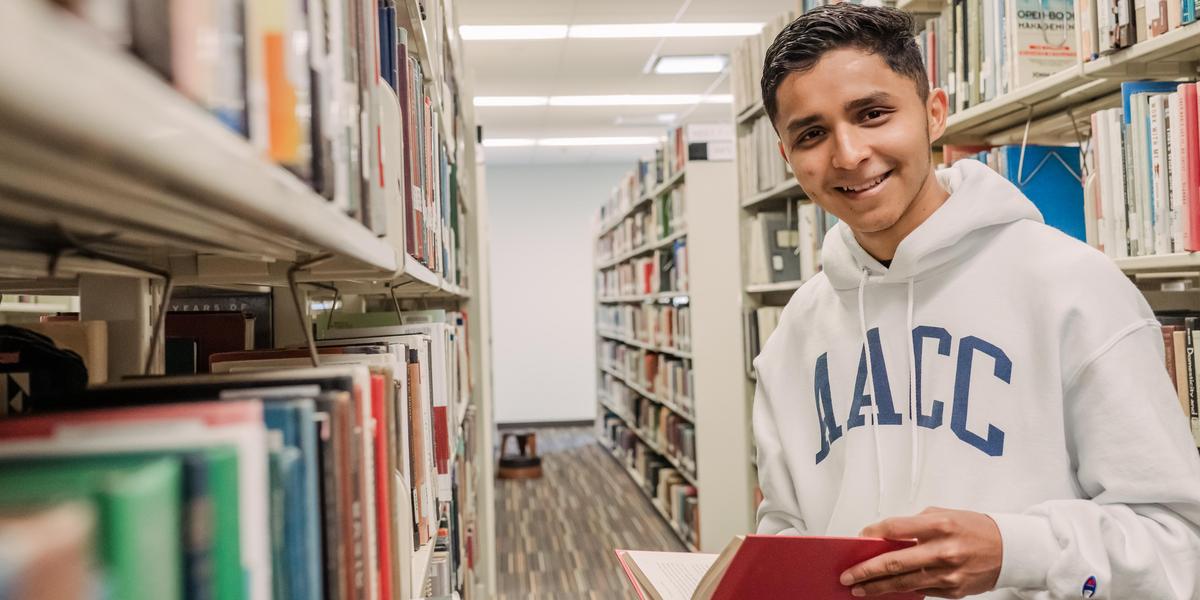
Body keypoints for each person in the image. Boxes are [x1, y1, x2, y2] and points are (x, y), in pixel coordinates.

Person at [751, 4, 1200, 598]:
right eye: (812, 133)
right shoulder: (794, 336)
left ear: (934, 114)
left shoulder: (1074, 290)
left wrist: (1016, 551)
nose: (849, 154)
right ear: (788, 158)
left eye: (874, 114)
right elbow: (787, 527)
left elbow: (1178, 545)